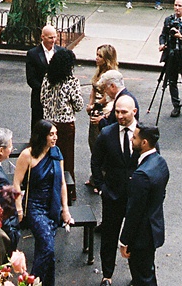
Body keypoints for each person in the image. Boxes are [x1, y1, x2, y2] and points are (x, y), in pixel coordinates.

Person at [117, 123, 170, 286]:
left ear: (144, 142)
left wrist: (124, 240)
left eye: (135, 138)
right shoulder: (160, 164)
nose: (132, 140)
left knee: (141, 280)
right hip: (154, 227)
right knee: (149, 274)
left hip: (141, 234)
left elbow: (134, 213)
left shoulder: (141, 176)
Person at [13, 120, 73, 286]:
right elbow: (16, 183)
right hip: (35, 207)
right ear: (42, 136)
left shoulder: (56, 153)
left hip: (52, 206)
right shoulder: (27, 155)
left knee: (48, 255)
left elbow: (62, 182)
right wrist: (19, 209)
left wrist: (65, 209)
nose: (55, 137)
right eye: (51, 134)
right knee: (47, 249)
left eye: (56, 134)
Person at [91, 93, 139, 286]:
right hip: (113, 195)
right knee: (109, 236)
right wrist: (102, 188)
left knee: (136, 236)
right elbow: (96, 162)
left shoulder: (142, 133)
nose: (119, 116)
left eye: (124, 112)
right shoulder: (107, 134)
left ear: (134, 112)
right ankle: (107, 276)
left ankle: (137, 274)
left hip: (136, 197)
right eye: (117, 112)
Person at [39, 46, 84, 203]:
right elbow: (79, 105)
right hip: (65, 125)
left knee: (48, 157)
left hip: (48, 123)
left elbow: (42, 99)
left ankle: (47, 188)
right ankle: (68, 192)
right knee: (66, 159)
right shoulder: (72, 82)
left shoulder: (47, 78)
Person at [25, 24, 57, 137]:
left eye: (55, 37)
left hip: (56, 99)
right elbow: (31, 79)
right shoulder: (33, 54)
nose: (53, 40)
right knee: (38, 128)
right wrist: (45, 90)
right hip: (39, 99)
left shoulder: (60, 52)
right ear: (42, 37)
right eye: (50, 38)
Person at [87, 46, 120, 153]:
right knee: (92, 141)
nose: (96, 58)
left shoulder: (111, 75)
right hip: (95, 109)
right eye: (96, 55)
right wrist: (90, 104)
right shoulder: (98, 71)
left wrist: (95, 105)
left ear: (107, 59)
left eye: (100, 56)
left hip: (104, 111)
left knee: (100, 143)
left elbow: (107, 97)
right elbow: (93, 88)